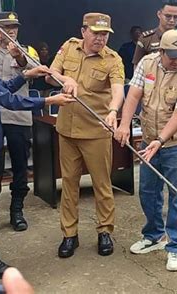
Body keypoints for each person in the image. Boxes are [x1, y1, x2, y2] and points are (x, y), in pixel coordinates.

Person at [0, 17, 74, 279]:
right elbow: (6, 99)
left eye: (0, 41)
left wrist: (26, 74)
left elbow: (0, 88)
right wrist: (49, 99)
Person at [115, 30, 177, 272]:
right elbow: (133, 94)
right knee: (148, 191)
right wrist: (124, 124)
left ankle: (175, 247)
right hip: (149, 139)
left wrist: (160, 141)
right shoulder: (146, 62)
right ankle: (153, 236)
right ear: (160, 51)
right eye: (172, 55)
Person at [45, 12, 124, 258]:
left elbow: (118, 90)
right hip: (67, 130)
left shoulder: (113, 59)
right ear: (83, 31)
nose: (100, 39)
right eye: (96, 33)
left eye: (105, 34)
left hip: (96, 131)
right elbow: (48, 74)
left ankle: (104, 231)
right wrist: (64, 78)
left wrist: (113, 111)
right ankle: (69, 234)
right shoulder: (68, 48)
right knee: (69, 184)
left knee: (102, 184)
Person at [0, 11, 39, 234]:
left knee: (21, 166)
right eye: (6, 27)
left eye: (15, 27)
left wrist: (18, 56)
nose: (11, 31)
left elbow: (33, 69)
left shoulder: (26, 50)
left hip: (19, 116)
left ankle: (17, 209)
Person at [132, 0, 177, 67]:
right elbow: (137, 66)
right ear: (159, 14)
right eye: (168, 16)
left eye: (176, 17)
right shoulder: (146, 39)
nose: (172, 20)